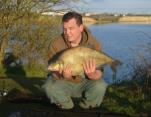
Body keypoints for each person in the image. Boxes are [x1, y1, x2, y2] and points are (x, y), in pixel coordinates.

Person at [43, 11, 108, 109]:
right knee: (48, 87)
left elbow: (99, 72)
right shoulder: (55, 44)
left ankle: (87, 107)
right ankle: (66, 106)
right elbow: (52, 71)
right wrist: (62, 75)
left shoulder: (94, 43)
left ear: (81, 28)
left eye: (71, 28)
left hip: (85, 81)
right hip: (63, 82)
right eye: (65, 29)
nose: (67, 33)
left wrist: (92, 74)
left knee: (100, 86)